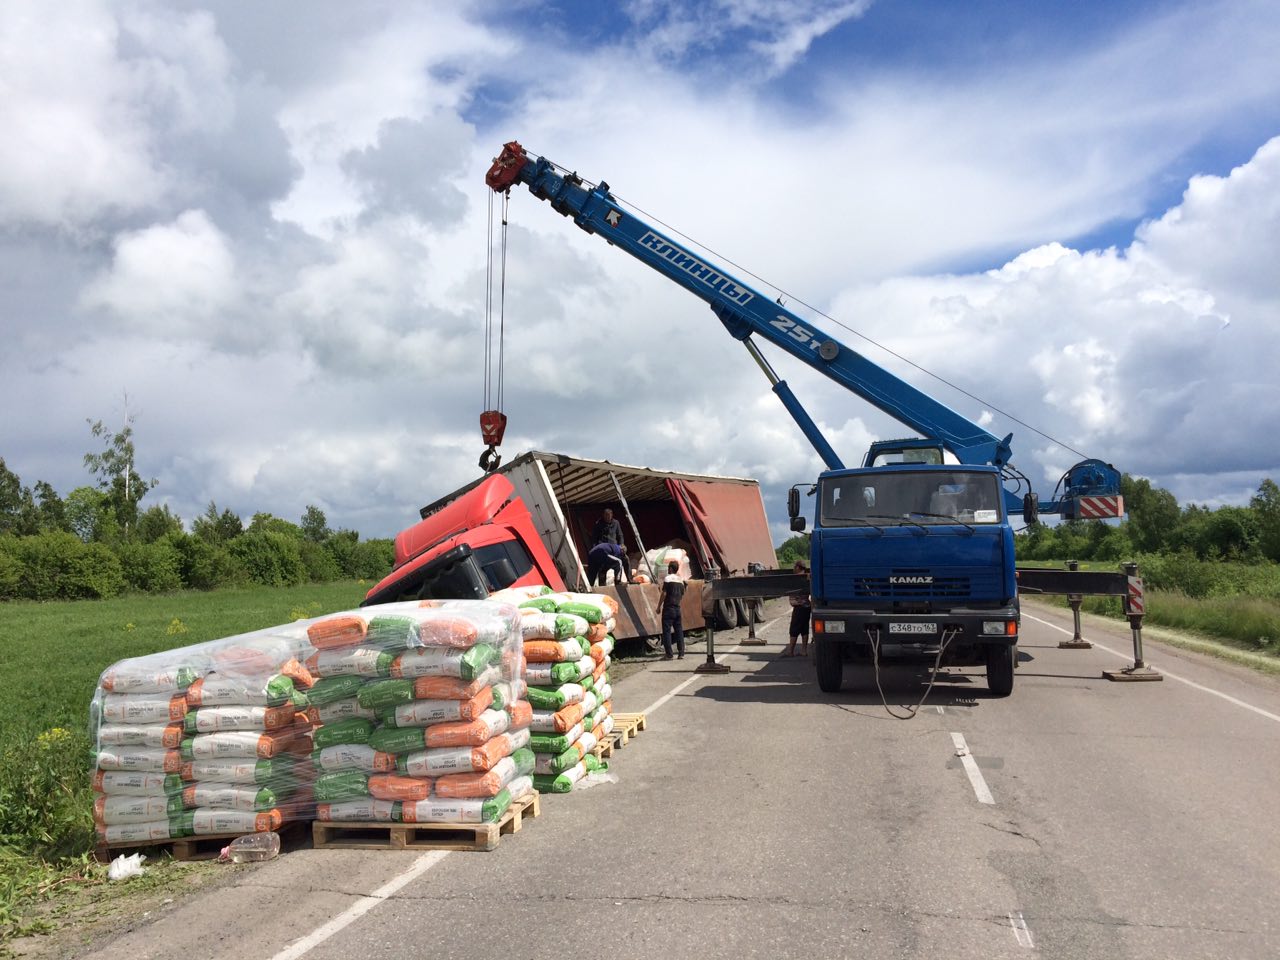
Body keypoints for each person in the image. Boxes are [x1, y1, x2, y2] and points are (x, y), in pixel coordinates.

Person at [657, 560, 686, 660]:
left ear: (670, 568)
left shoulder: (668, 579)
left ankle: (669, 654)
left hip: (668, 608)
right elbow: (682, 594)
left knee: (667, 631)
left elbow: (664, 594)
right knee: (679, 631)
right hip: (677, 608)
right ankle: (681, 653)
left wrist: (658, 607)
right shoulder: (681, 580)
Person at [782, 561, 811, 657]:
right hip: (806, 606)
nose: (794, 568)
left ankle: (790, 651)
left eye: (795, 566)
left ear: (798, 567)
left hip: (800, 607)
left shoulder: (799, 578)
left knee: (794, 629)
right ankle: (804, 651)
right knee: (804, 629)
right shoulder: (806, 576)